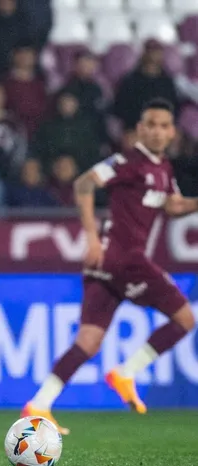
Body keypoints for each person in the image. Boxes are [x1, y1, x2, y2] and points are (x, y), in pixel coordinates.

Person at [22, 99, 198, 434]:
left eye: (164, 125)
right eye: (152, 124)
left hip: (105, 265)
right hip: (123, 259)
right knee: (185, 319)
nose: (158, 131)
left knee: (88, 341)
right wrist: (90, 236)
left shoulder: (164, 169)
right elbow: (84, 183)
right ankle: (127, 372)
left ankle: (39, 404)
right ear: (140, 129)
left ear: (173, 131)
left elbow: (173, 206)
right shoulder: (127, 161)